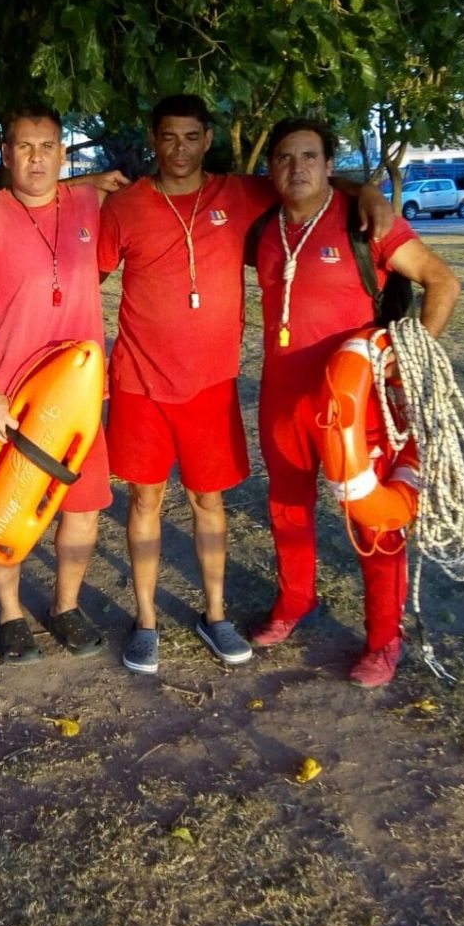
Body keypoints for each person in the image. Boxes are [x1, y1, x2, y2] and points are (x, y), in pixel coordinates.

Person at [97, 94, 392, 677]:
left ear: (208, 140)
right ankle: (147, 621)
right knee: (145, 500)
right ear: (153, 140)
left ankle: (215, 614)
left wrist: (370, 193)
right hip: (138, 380)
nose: (178, 149)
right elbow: (89, 279)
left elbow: (311, 181)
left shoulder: (240, 193)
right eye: (167, 137)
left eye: (190, 137)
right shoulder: (125, 206)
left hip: (211, 383)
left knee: (211, 501)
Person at [249, 117, 460, 687]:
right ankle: (296, 602)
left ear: (328, 163)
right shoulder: (263, 225)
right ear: (271, 167)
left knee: (374, 519)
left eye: (310, 157)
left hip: (357, 405)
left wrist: (406, 360)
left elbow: (443, 282)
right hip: (282, 399)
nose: (298, 168)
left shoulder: (365, 224)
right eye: (285, 157)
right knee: (287, 509)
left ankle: (384, 639)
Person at [0, 106, 126, 665]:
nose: (36, 157)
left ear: (63, 155)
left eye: (47, 146)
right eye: (24, 147)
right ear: (5, 153)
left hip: (74, 401)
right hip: (7, 399)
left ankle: (65, 606)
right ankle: (10, 613)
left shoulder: (89, 204)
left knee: (82, 508)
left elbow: (148, 192)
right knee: (5, 510)